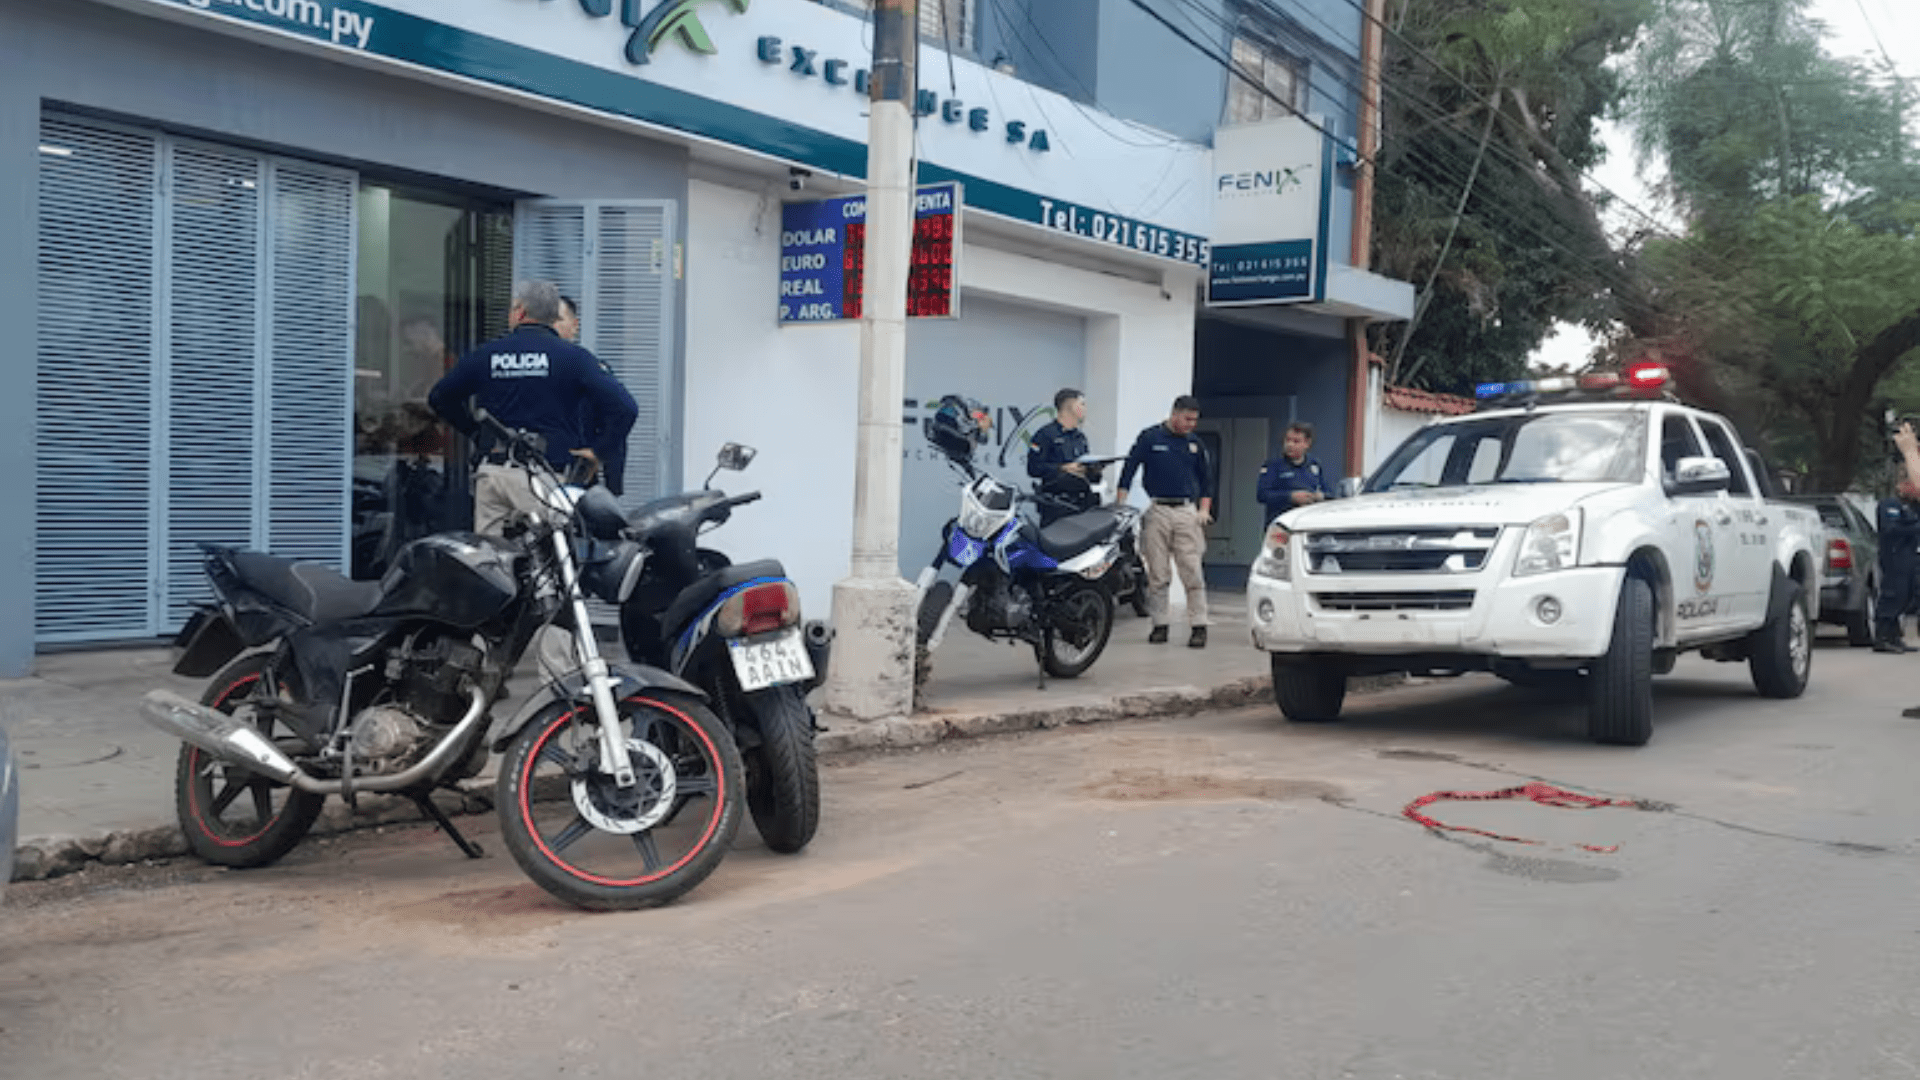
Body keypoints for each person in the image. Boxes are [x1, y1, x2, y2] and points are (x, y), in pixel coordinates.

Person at [429, 281, 638, 536]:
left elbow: (440, 398)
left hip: (494, 472)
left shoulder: (486, 355)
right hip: (545, 477)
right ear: (552, 316)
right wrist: (600, 451)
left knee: (489, 563)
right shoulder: (573, 358)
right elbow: (625, 408)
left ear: (520, 311)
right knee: (548, 560)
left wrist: (475, 432)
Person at [1115, 395, 1213, 648]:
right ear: (1175, 414)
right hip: (1157, 508)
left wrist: (1204, 509)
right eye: (1187, 419)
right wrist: (1120, 503)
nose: (1191, 424)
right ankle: (1160, 624)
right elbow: (1129, 469)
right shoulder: (1150, 438)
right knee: (1158, 572)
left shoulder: (1195, 444)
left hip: (1186, 511)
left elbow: (1207, 480)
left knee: (1192, 570)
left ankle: (1199, 625)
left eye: (1194, 420)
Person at [1878, 422, 1920, 654]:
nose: (1909, 484)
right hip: (1894, 557)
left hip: (1909, 557)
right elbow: (1891, 529)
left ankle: (1894, 637)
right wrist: (1910, 451)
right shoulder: (1890, 504)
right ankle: (1883, 637)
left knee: (1904, 599)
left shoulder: (1912, 508)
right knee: (1892, 596)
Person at [1027, 388, 1094, 524]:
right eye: (1082, 404)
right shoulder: (1045, 435)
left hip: (1081, 505)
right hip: (1056, 505)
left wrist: (1093, 469)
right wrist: (1062, 468)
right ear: (1069, 406)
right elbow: (1033, 468)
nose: (1085, 409)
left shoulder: (1080, 437)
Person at [1255, 421, 1329, 525]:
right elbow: (1262, 495)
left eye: (1296, 441)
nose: (1289, 445)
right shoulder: (1273, 466)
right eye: (1287, 440)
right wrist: (1291, 497)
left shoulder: (1314, 465)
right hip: (1281, 524)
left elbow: (1326, 490)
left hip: (1307, 523)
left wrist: (1319, 496)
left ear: (1307, 443)